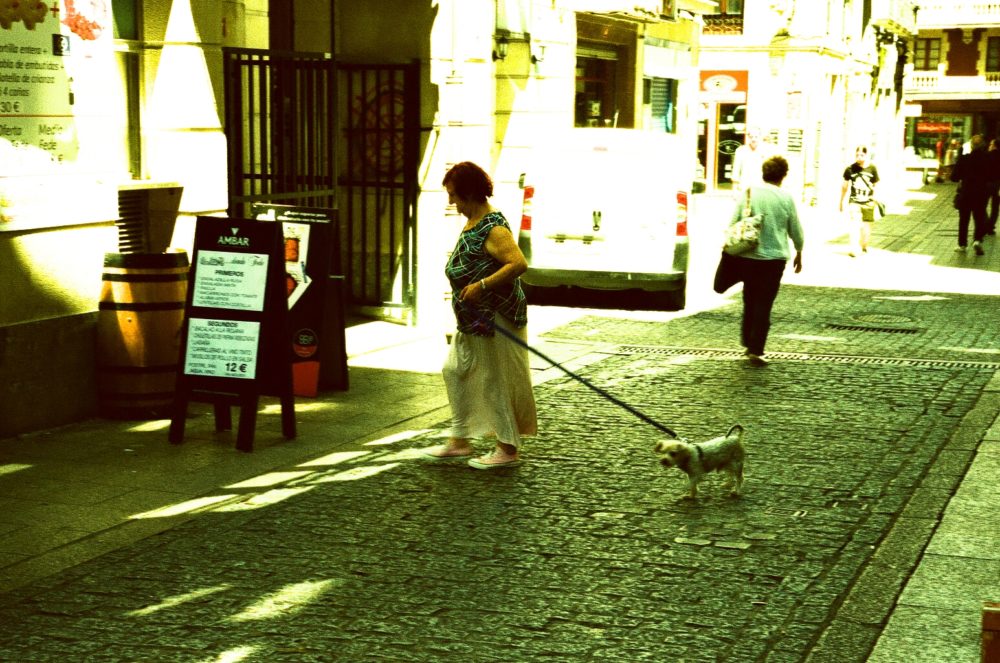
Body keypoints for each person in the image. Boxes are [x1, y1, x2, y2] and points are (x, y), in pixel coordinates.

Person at [421, 161, 537, 468]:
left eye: (454, 195)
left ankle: (508, 449)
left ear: (470, 193)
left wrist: (482, 286)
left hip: (494, 316)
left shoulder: (493, 226)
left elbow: (518, 264)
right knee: (454, 369)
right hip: (471, 318)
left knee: (495, 380)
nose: (451, 202)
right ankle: (460, 440)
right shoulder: (474, 220)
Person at [723, 155, 804, 367]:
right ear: (783, 176)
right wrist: (799, 250)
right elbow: (795, 228)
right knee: (764, 303)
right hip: (774, 260)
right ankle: (756, 349)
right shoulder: (785, 198)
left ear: (764, 173)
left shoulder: (749, 193)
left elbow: (733, 222)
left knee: (750, 299)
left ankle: (748, 342)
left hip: (749, 256)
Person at [951, 133, 991, 255]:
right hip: (981, 193)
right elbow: (992, 176)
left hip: (966, 192)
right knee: (979, 218)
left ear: (972, 146)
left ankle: (962, 244)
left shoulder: (965, 159)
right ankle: (977, 240)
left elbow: (954, 177)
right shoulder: (987, 159)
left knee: (964, 219)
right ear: (983, 145)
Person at [839, 145, 880, 257]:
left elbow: (876, 185)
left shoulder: (872, 168)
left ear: (866, 155)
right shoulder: (850, 169)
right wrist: (841, 201)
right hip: (854, 201)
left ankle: (864, 245)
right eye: (857, 155)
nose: (859, 157)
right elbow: (844, 187)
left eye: (862, 155)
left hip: (868, 202)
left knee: (866, 228)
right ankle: (853, 248)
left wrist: (875, 199)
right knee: (854, 224)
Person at [731, 127, 770, 194]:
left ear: (760, 137)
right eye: (751, 137)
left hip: (761, 188)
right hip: (744, 187)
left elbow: (769, 171)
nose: (753, 139)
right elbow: (735, 172)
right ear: (748, 138)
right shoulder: (741, 151)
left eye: (756, 137)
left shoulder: (766, 151)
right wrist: (735, 191)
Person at [987, 138, 1000, 236]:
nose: (989, 146)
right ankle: (991, 226)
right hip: (997, 185)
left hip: (986, 184)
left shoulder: (987, 156)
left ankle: (985, 225)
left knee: (981, 205)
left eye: (991, 144)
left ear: (994, 145)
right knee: (995, 207)